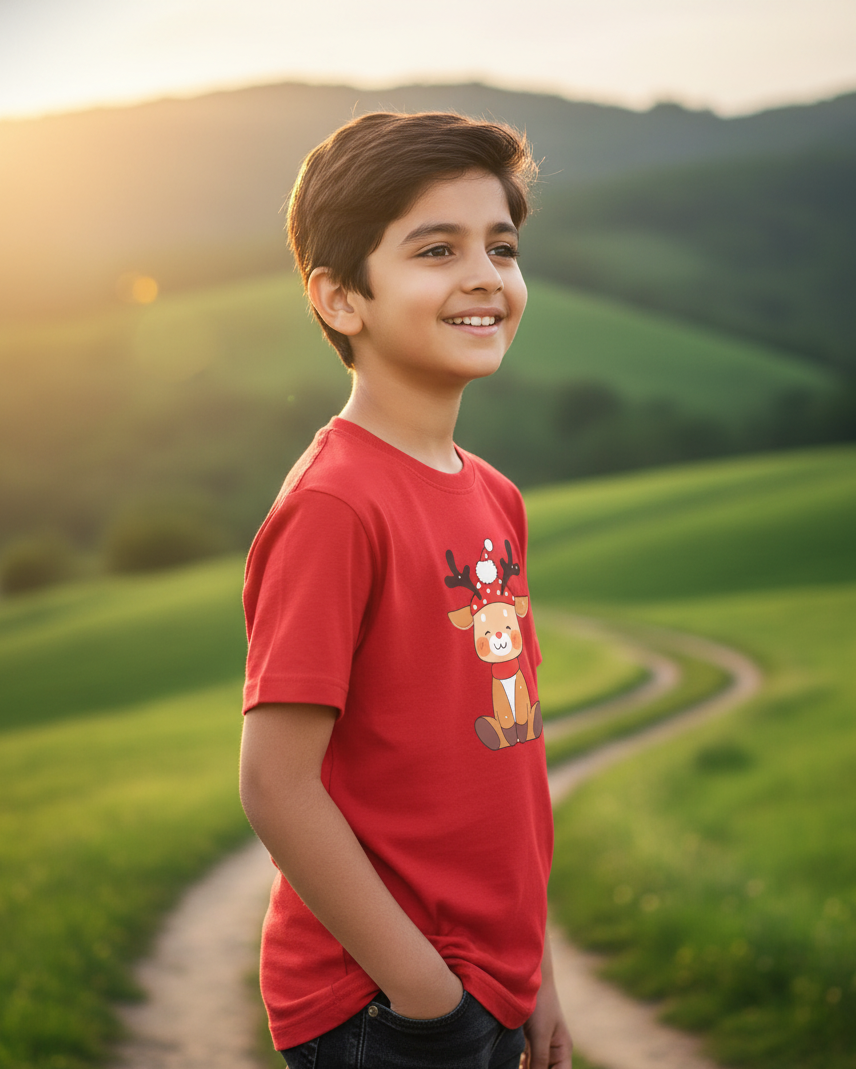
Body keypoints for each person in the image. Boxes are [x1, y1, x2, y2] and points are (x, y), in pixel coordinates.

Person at [239, 111, 573, 1069]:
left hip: (488, 979)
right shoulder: (337, 504)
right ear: (342, 298)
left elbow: (505, 758)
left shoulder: (494, 495)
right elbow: (275, 783)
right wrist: (429, 999)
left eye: (501, 247)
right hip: (384, 1006)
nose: (483, 274)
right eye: (437, 248)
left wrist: (533, 967)